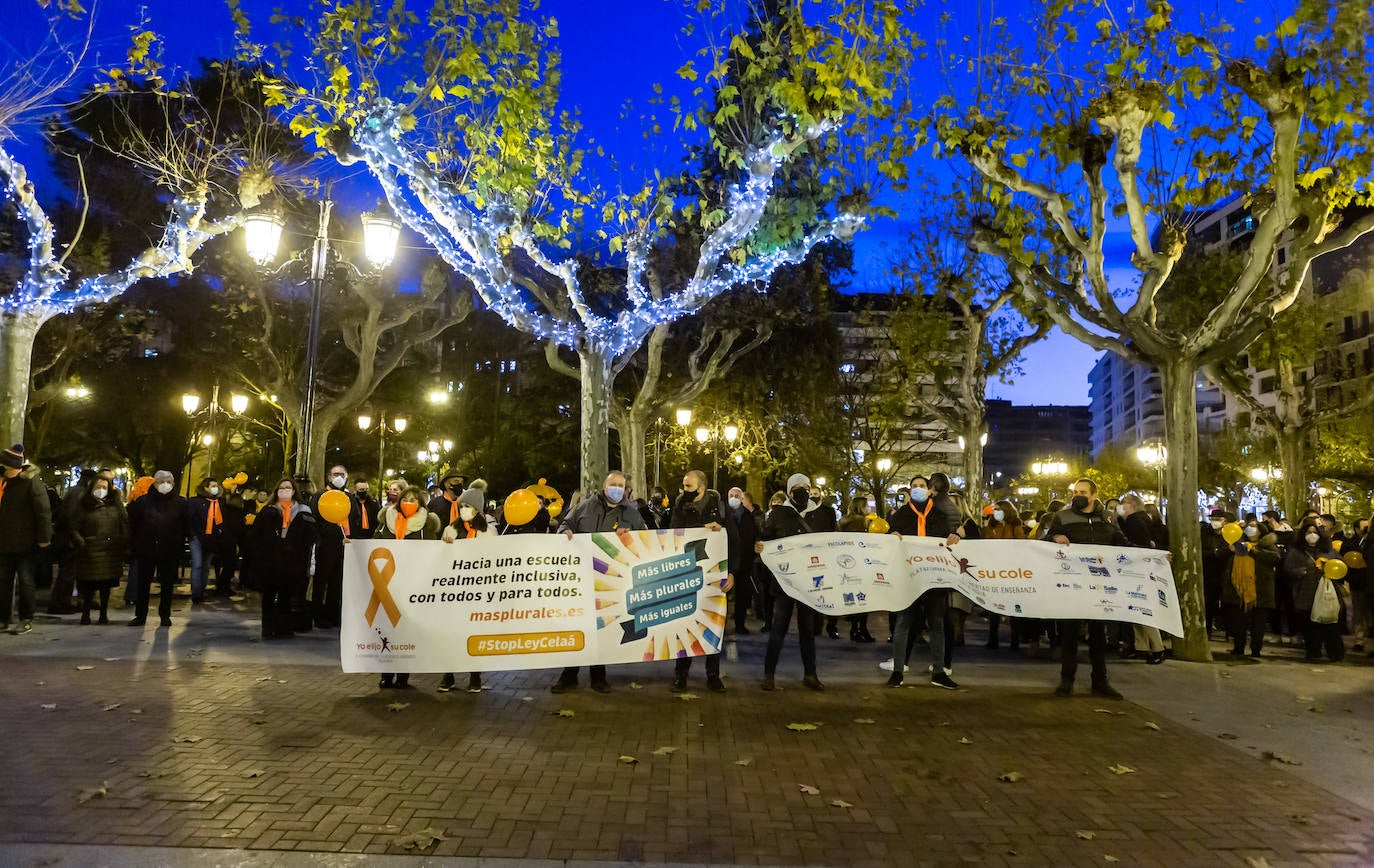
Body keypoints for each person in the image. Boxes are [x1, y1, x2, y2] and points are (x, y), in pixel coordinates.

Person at [552, 471, 646, 693]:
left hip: (610, 581)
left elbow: (644, 541)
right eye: (613, 484)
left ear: (625, 489)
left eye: (621, 485)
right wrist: (565, 531)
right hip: (581, 578)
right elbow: (565, 524)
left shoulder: (632, 514)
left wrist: (630, 538)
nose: (617, 488)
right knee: (576, 625)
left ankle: (598, 675)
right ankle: (569, 674)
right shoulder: (585, 507)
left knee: (600, 628)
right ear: (604, 486)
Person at [1045, 477, 1130, 699]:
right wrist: (1055, 536)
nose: (1077, 495)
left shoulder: (1108, 518)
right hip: (1072, 584)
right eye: (1075, 491)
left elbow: (1123, 544)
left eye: (1082, 492)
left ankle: (1100, 680)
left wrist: (1154, 557)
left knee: (1097, 635)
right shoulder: (1062, 517)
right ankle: (1067, 680)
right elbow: (1045, 543)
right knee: (1070, 633)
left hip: (1099, 585)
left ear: (1093, 495)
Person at [886, 473, 963, 689]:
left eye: (922, 485)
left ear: (929, 490)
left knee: (937, 624)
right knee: (903, 623)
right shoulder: (901, 514)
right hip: (909, 578)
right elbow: (888, 535)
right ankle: (898, 671)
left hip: (933, 579)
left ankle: (938, 672)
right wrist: (891, 534)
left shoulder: (939, 514)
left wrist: (955, 537)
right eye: (914, 486)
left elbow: (950, 537)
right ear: (910, 491)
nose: (918, 488)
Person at [757, 474, 830, 692]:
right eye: (797, 488)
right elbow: (765, 537)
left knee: (807, 630)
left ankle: (811, 673)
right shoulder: (779, 514)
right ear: (789, 491)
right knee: (779, 627)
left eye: (806, 487)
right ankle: (769, 674)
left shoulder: (820, 514)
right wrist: (760, 545)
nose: (802, 492)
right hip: (785, 580)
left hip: (810, 580)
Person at [668, 471, 737, 693]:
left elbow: (733, 541)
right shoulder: (679, 505)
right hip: (687, 574)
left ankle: (713, 675)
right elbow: (672, 535)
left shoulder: (720, 507)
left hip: (714, 577)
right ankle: (681, 674)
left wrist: (732, 572)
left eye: (689, 487)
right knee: (684, 622)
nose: (684, 490)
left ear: (702, 488)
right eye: (684, 486)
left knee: (713, 624)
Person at [439, 487, 493, 693]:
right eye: (461, 505)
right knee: (452, 633)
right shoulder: (450, 529)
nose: (463, 509)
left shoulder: (487, 531)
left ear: (477, 509)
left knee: (474, 633)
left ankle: (475, 676)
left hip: (477, 592)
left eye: (468, 506)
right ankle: (449, 674)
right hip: (454, 591)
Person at [251, 478, 318, 640]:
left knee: (286, 595)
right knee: (268, 595)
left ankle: (284, 628)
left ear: (294, 491)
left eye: (288, 488)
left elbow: (311, 537)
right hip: (271, 559)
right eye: (281, 488)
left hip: (292, 560)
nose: (285, 490)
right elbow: (256, 536)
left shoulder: (304, 511)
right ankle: (268, 628)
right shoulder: (268, 510)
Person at [0, 445, 53, 634]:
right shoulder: (3, 483)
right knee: (3, 582)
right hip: (4, 543)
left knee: (26, 582)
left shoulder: (30, 483)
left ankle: (26, 618)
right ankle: (3, 618)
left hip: (25, 544)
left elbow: (43, 512)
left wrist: (43, 538)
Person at [127, 470, 186, 628]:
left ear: (173, 484)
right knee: (143, 584)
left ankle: (165, 615)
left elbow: (185, 526)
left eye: (168, 482)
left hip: (170, 550)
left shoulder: (180, 503)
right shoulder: (142, 502)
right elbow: (133, 525)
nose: (165, 485)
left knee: (167, 585)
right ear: (155, 483)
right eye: (161, 481)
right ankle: (140, 615)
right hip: (146, 548)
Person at [70, 474, 129, 625]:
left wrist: (121, 543)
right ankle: (86, 613)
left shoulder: (115, 505)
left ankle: (103, 614)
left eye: (104, 487)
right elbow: (73, 527)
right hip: (89, 551)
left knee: (105, 585)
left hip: (110, 552)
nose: (101, 490)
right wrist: (81, 542)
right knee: (88, 586)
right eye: (98, 487)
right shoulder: (84, 505)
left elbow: (123, 525)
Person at [312, 464, 366, 629]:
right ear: (329, 476)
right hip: (325, 545)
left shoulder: (349, 497)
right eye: (336, 474)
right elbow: (315, 518)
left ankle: (333, 614)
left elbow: (354, 518)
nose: (339, 477)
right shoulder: (320, 496)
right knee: (321, 581)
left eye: (342, 474)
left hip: (345, 546)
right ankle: (318, 615)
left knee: (338, 582)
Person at [1284, 518, 1343, 661]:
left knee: (1331, 626)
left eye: (1314, 532)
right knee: (1310, 626)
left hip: (1327, 594)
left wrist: (1328, 567)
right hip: (1306, 595)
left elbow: (1340, 566)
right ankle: (1313, 651)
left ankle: (1335, 653)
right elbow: (1289, 569)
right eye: (1308, 532)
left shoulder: (1329, 551)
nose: (1312, 535)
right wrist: (1305, 571)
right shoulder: (1296, 552)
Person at [1119, 494, 1167, 664]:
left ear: (1129, 506)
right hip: (1145, 571)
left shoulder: (1132, 521)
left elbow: (1133, 546)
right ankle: (1142, 647)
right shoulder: (1144, 520)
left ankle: (1157, 649)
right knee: (1138, 611)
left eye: (1122, 504)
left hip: (1136, 571)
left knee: (1143, 611)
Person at [1221, 518, 1280, 658]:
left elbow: (1274, 558)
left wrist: (1251, 551)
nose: (1250, 529)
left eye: (1254, 526)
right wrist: (1230, 550)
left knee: (1258, 624)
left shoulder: (1267, 545)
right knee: (1238, 622)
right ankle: (1238, 647)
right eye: (1248, 526)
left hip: (1260, 590)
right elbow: (1219, 556)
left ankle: (1256, 649)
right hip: (1238, 590)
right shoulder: (1236, 544)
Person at [982, 500, 1026, 650]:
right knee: (994, 606)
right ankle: (992, 638)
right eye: (995, 509)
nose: (997, 512)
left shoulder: (1015, 525)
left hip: (1011, 571)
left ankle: (1015, 641)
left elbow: (1020, 544)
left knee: (1013, 606)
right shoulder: (991, 525)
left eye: (1000, 509)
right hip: (995, 570)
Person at [836, 495, 876, 643]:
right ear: (861, 507)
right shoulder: (864, 523)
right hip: (862, 563)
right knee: (863, 597)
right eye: (867, 505)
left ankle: (854, 629)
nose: (869, 508)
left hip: (846, 564)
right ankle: (863, 629)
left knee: (852, 597)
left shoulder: (842, 522)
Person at [185, 478, 229, 604]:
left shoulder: (220, 502)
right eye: (213, 486)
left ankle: (201, 589)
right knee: (197, 565)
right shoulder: (195, 502)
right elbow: (189, 519)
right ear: (205, 487)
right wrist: (192, 535)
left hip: (212, 539)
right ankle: (196, 593)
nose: (216, 488)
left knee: (205, 566)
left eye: (217, 485)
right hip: (197, 538)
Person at [727, 487, 762, 635]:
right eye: (731, 495)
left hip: (744, 561)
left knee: (742, 596)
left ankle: (740, 624)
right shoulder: (723, 515)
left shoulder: (748, 516)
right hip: (726, 562)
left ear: (742, 498)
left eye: (737, 495)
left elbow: (755, 535)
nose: (734, 497)